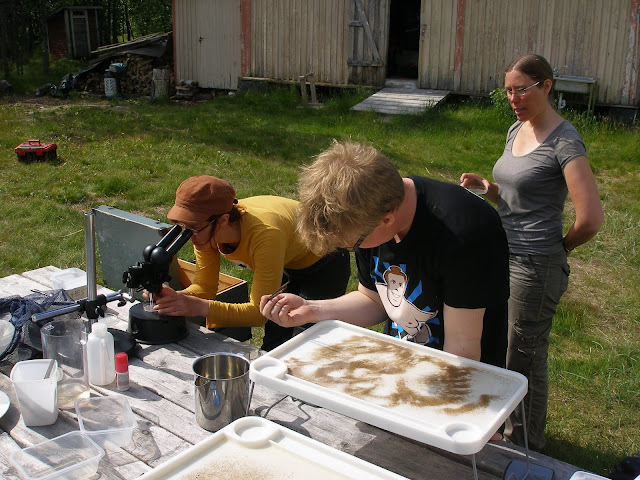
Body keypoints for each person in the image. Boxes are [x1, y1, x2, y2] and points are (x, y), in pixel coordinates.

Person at [260, 140, 510, 370]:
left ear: (387, 220)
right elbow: (373, 300)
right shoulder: (373, 210)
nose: (354, 249)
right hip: (405, 362)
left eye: (353, 244)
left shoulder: (464, 234)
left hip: (464, 378)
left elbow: (462, 351)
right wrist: (311, 308)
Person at [460, 54, 604, 451]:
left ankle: (526, 446)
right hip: (502, 254)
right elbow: (511, 194)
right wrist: (486, 189)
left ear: (547, 86)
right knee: (496, 345)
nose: (514, 98)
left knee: (523, 356)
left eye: (522, 89)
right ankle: (501, 426)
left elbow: (590, 218)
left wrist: (559, 249)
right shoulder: (516, 129)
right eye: (508, 90)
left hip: (535, 265)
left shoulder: (565, 142)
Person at [150, 175, 351, 351]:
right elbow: (205, 287)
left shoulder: (265, 234)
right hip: (286, 257)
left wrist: (197, 307)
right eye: (183, 226)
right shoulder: (204, 229)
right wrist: (176, 298)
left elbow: (257, 314)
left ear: (223, 220)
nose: (189, 237)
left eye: (192, 228)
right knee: (275, 339)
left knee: (308, 342)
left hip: (325, 260)